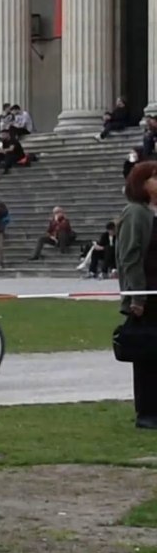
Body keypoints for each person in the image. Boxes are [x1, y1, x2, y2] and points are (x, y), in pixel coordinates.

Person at [115, 161, 157, 429]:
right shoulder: (135, 213)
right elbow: (129, 257)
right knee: (147, 355)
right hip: (147, 294)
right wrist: (137, 297)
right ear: (142, 184)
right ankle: (147, 412)